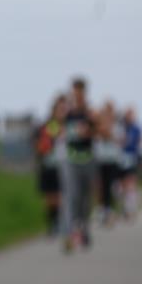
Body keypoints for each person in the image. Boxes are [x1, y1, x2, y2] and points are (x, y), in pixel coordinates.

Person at [60, 77, 97, 253]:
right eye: (75, 92)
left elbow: (102, 131)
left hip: (87, 159)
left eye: (80, 92)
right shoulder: (66, 113)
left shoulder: (90, 113)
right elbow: (54, 129)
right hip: (71, 159)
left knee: (85, 198)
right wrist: (59, 130)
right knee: (71, 196)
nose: (77, 95)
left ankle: (84, 229)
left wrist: (89, 130)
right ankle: (69, 234)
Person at [34, 95, 68, 236]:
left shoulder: (68, 124)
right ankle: (52, 223)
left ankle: (60, 222)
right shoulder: (49, 125)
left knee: (60, 196)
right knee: (50, 197)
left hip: (63, 166)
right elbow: (42, 145)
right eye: (60, 109)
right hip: (49, 165)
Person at [94, 100, 123, 227]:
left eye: (110, 110)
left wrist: (108, 133)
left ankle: (110, 210)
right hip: (100, 160)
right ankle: (102, 211)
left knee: (111, 187)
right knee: (101, 187)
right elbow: (96, 137)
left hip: (113, 160)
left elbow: (120, 140)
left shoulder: (117, 126)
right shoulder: (97, 126)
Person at [119, 107, 142, 219]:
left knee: (131, 183)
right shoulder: (122, 127)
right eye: (128, 114)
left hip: (132, 157)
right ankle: (124, 208)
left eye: (131, 115)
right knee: (123, 184)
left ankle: (131, 208)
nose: (130, 117)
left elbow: (139, 142)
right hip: (121, 157)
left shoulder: (136, 128)